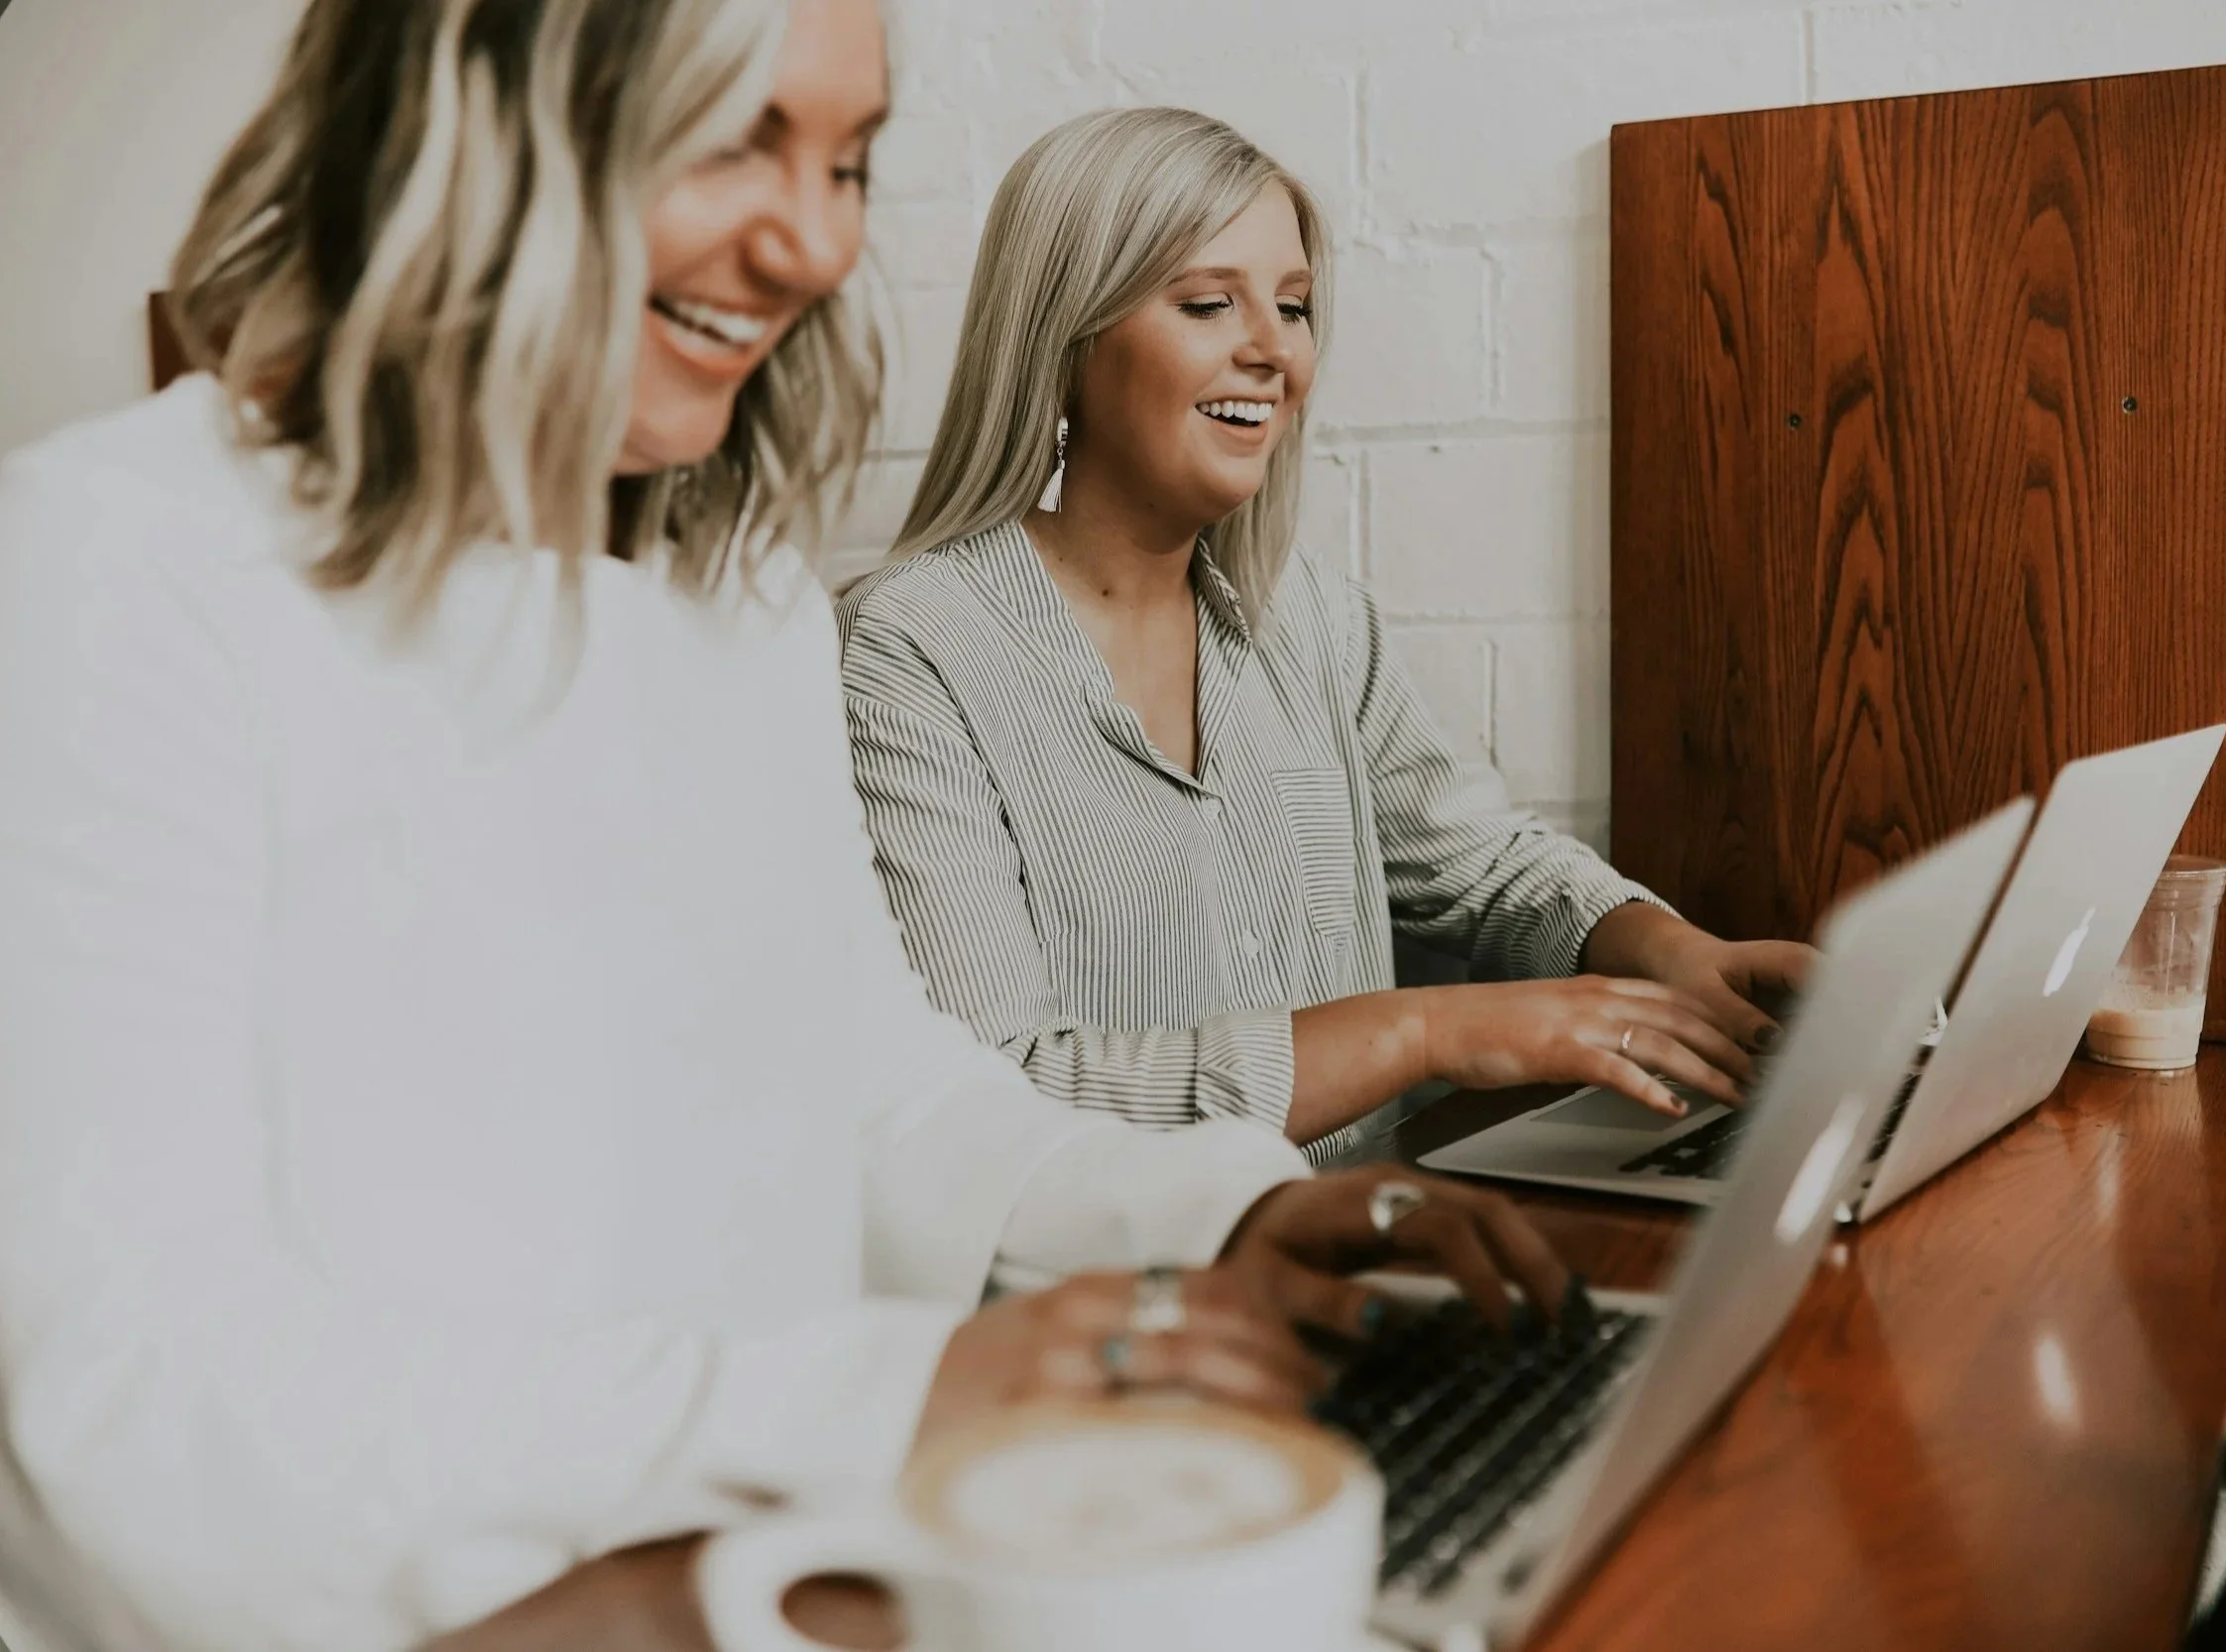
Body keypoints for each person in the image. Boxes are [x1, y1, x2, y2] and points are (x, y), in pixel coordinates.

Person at [0, 9, 1569, 1650]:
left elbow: (882, 1093)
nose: (813, 240)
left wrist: (1215, 1215)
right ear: (468, 109)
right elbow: (125, 1396)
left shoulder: (733, 600)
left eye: (848, 160)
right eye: (732, 138)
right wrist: (886, 1398)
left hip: (771, 1588)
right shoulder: (119, 568)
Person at [839, 108, 1815, 1162]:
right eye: (1210, 303)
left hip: (1376, 1248)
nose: (1272, 350)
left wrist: (1672, 953)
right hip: (1131, 1300)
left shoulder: (1307, 619)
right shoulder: (909, 650)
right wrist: (1426, 1031)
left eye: (1294, 308)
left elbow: (1479, 866)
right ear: (1066, 339)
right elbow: (1003, 1091)